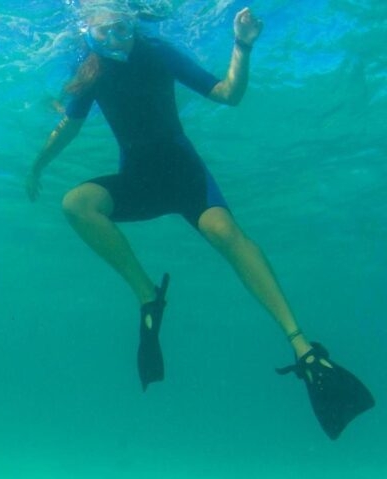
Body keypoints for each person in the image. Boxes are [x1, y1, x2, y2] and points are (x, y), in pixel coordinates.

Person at [26, 5, 373, 439]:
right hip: (140, 179)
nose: (119, 40)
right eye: (105, 33)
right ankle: (147, 297)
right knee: (77, 203)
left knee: (222, 232)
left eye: (123, 28)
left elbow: (229, 93)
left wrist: (242, 45)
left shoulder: (156, 52)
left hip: (183, 173)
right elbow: (68, 127)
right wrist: (37, 166)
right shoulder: (90, 73)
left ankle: (303, 347)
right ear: (88, 34)